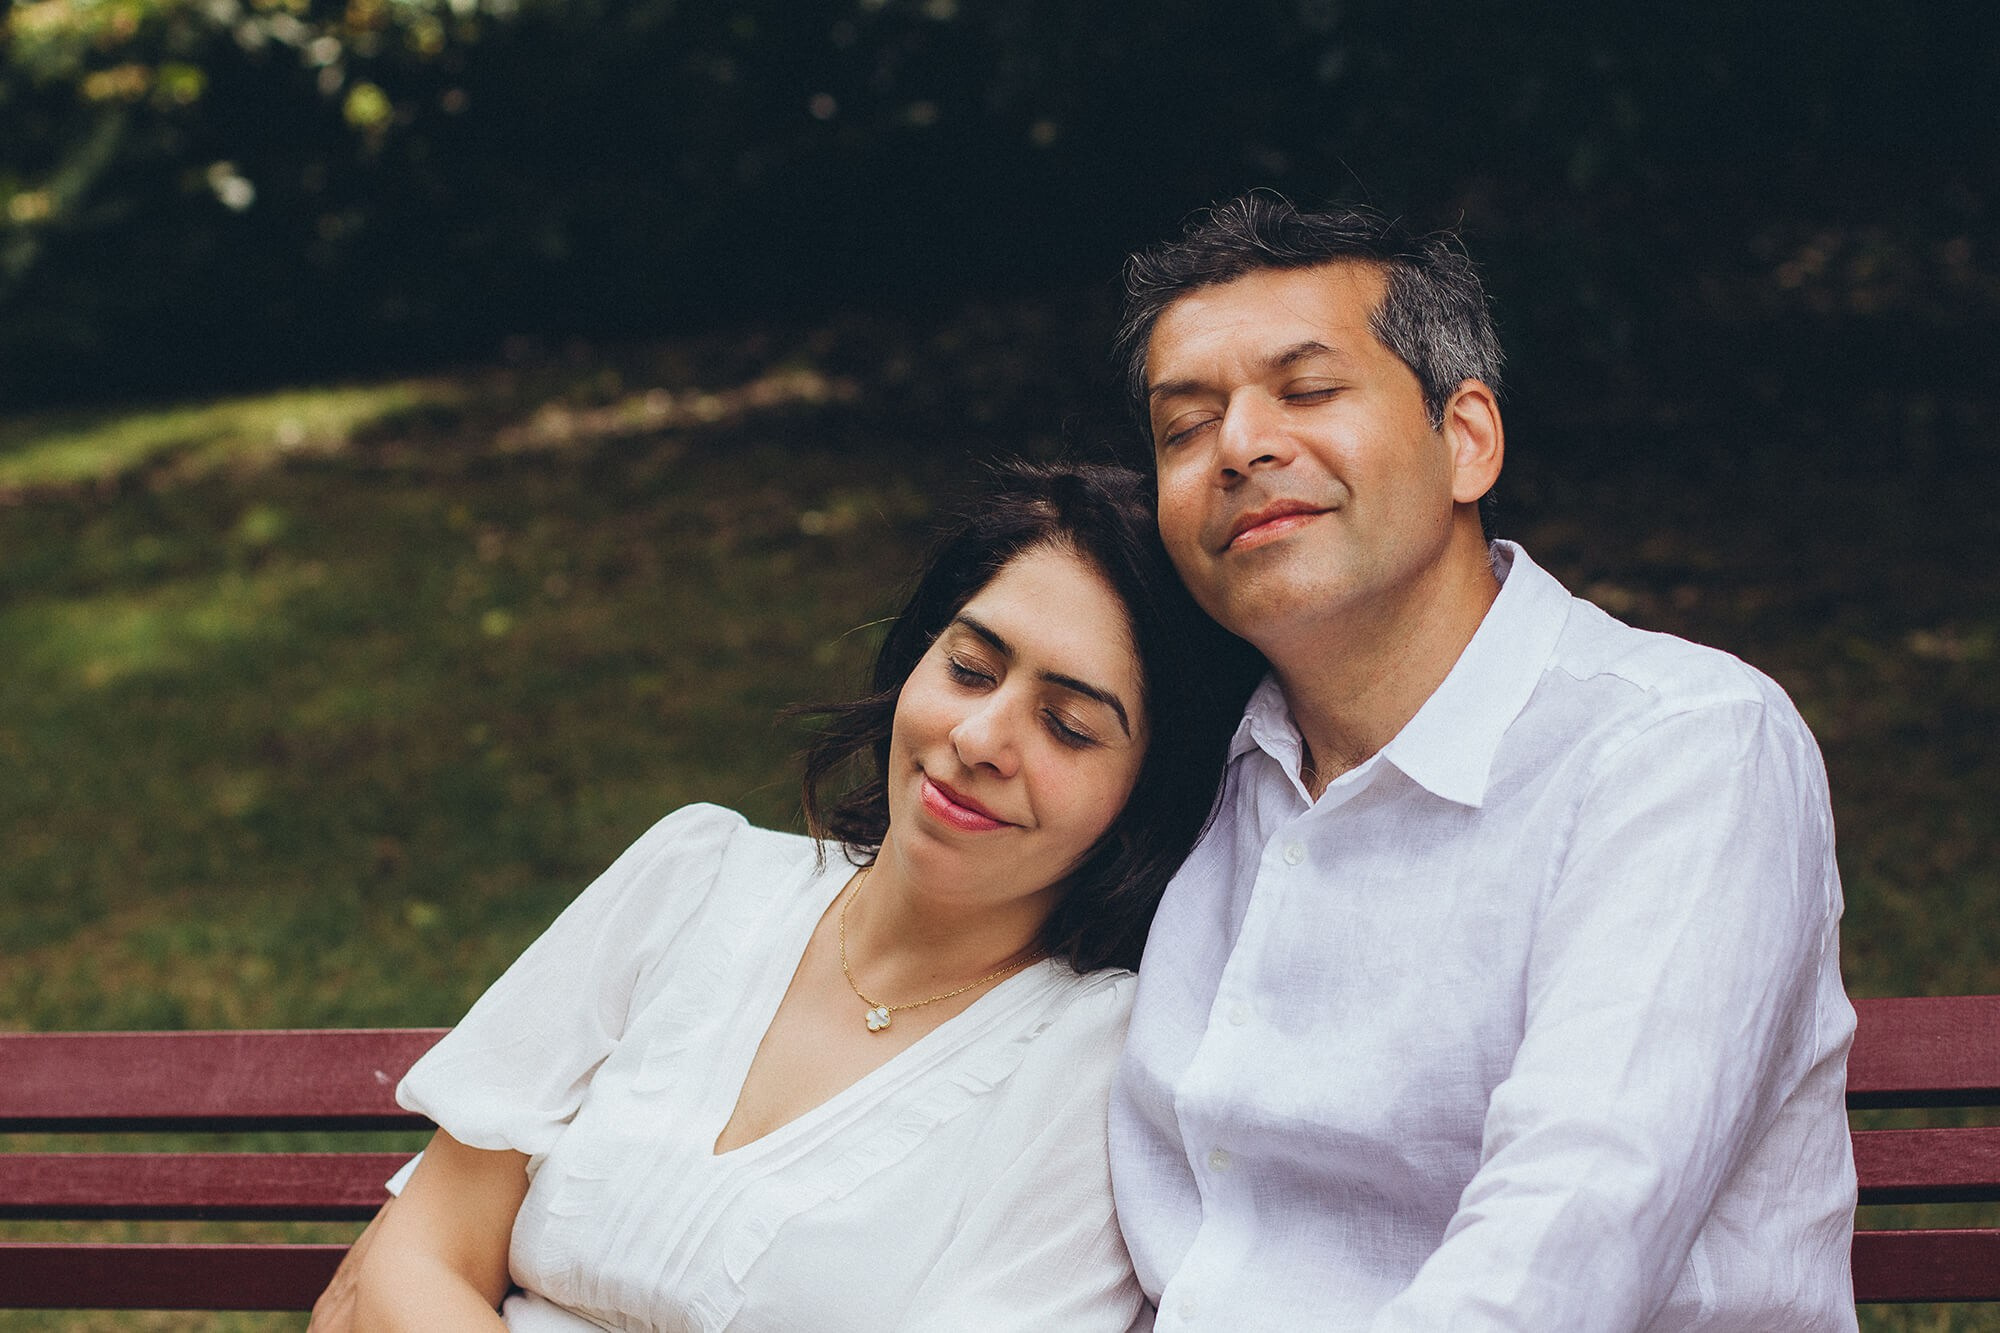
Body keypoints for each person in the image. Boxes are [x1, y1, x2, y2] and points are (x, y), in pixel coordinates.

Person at [1107, 192, 1858, 1330]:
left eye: (1306, 390)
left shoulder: (1679, 747)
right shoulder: (1187, 777)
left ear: (1465, 440)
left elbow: (1563, 1242)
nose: (1239, 446)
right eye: (1182, 427)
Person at [310, 459, 1261, 1331]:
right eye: (969, 668)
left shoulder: (1093, 1061)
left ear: (1144, 798)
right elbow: (418, 1257)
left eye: (1067, 726)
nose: (980, 737)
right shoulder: (693, 878)